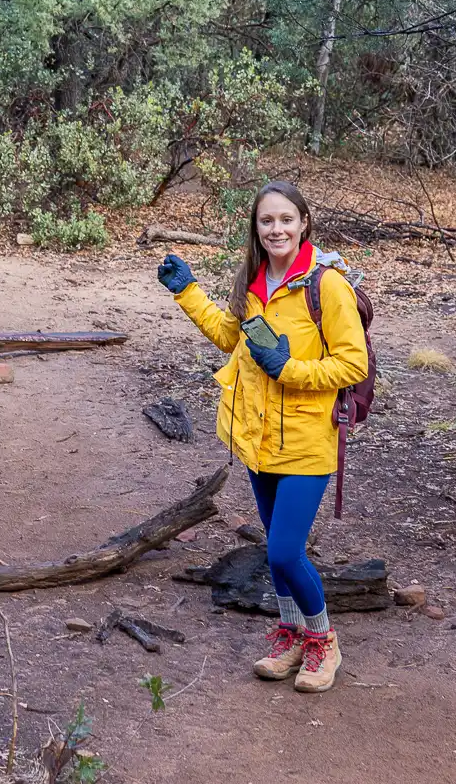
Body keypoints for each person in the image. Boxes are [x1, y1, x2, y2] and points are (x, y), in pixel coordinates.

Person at [156, 179, 368, 693]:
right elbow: (231, 336)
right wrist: (186, 290)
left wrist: (289, 368)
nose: (276, 229)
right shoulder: (254, 281)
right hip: (256, 435)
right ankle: (292, 633)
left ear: (304, 224)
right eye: (266, 221)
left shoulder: (327, 286)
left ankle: (324, 640)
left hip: (307, 440)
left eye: (286, 220)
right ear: (256, 227)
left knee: (282, 552)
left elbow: (352, 362)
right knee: (277, 545)